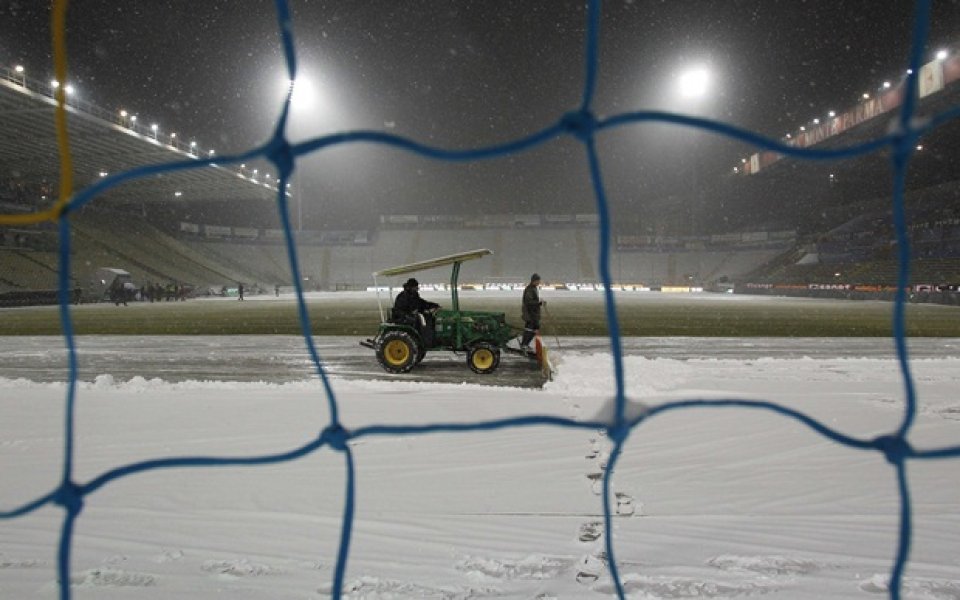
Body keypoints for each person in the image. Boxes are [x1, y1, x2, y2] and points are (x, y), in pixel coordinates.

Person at [393, 277, 440, 345]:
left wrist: (433, 305)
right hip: (403, 317)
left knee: (429, 317)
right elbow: (401, 309)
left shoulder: (413, 295)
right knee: (424, 321)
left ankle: (430, 338)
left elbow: (421, 303)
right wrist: (411, 313)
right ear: (411, 287)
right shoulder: (403, 296)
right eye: (415, 287)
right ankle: (427, 340)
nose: (417, 289)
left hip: (410, 314)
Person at [520, 273, 545, 351]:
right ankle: (524, 344)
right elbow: (529, 302)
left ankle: (525, 344)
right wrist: (539, 303)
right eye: (538, 281)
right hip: (530, 314)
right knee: (530, 329)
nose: (539, 282)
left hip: (533, 313)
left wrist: (539, 303)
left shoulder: (533, 288)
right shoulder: (529, 289)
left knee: (533, 329)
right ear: (534, 281)